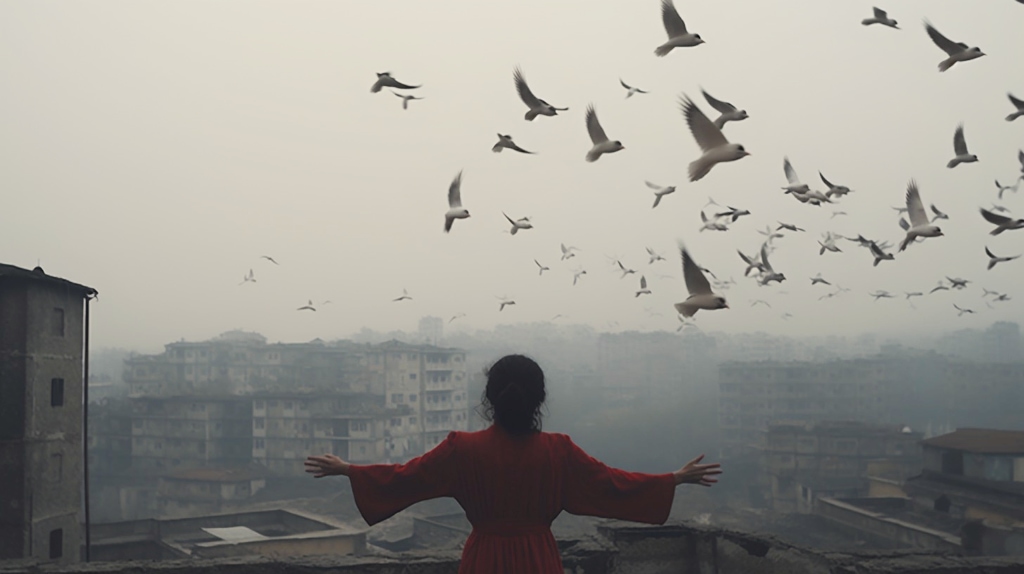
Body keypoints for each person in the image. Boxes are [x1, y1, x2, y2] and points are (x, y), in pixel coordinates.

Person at [305, 354, 721, 573]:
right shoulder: (558, 451)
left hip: (484, 558)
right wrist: (673, 480)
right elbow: (613, 485)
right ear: (539, 400)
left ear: (489, 400)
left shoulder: (461, 450)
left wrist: (350, 470)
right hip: (538, 558)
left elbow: (405, 477)